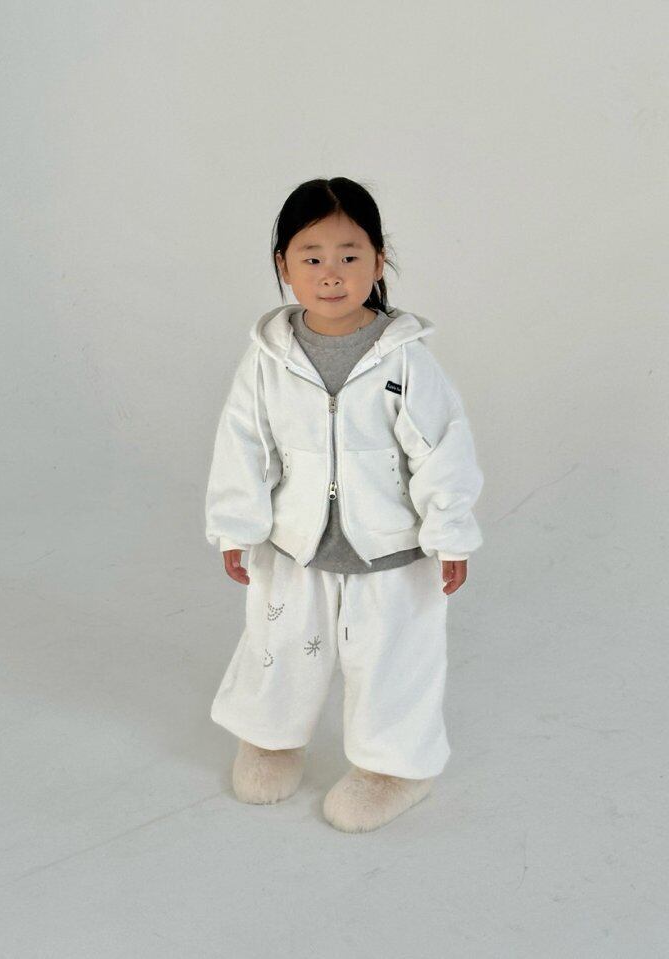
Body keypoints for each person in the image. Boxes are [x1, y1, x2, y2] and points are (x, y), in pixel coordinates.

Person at [204, 177, 484, 833]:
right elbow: (242, 443)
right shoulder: (268, 358)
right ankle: (271, 740)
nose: (331, 273)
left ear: (379, 261)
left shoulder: (404, 358)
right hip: (295, 543)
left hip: (391, 548)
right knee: (278, 645)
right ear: (284, 265)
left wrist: (450, 533)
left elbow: (443, 448)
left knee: (394, 660)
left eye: (349, 255)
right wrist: (236, 528)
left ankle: (396, 768)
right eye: (312, 257)